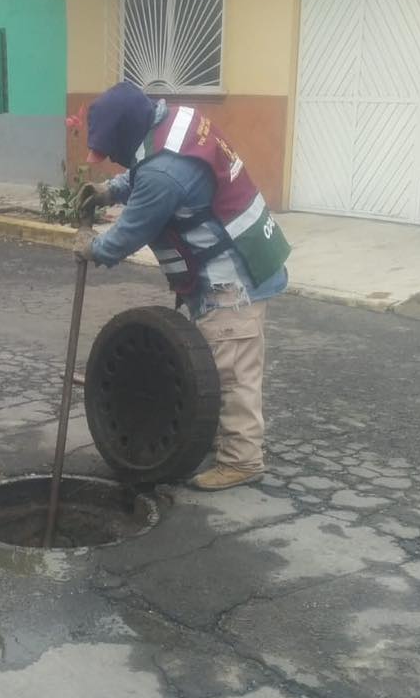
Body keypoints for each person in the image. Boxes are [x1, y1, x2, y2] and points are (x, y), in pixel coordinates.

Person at [73, 80, 290, 490]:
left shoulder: (162, 176)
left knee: (231, 371)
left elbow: (129, 231)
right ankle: (229, 440)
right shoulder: (175, 120)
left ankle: (241, 459)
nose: (109, 160)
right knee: (217, 359)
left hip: (232, 279)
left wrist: (91, 247)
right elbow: (147, 169)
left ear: (124, 134)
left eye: (109, 152)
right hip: (239, 256)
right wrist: (108, 191)